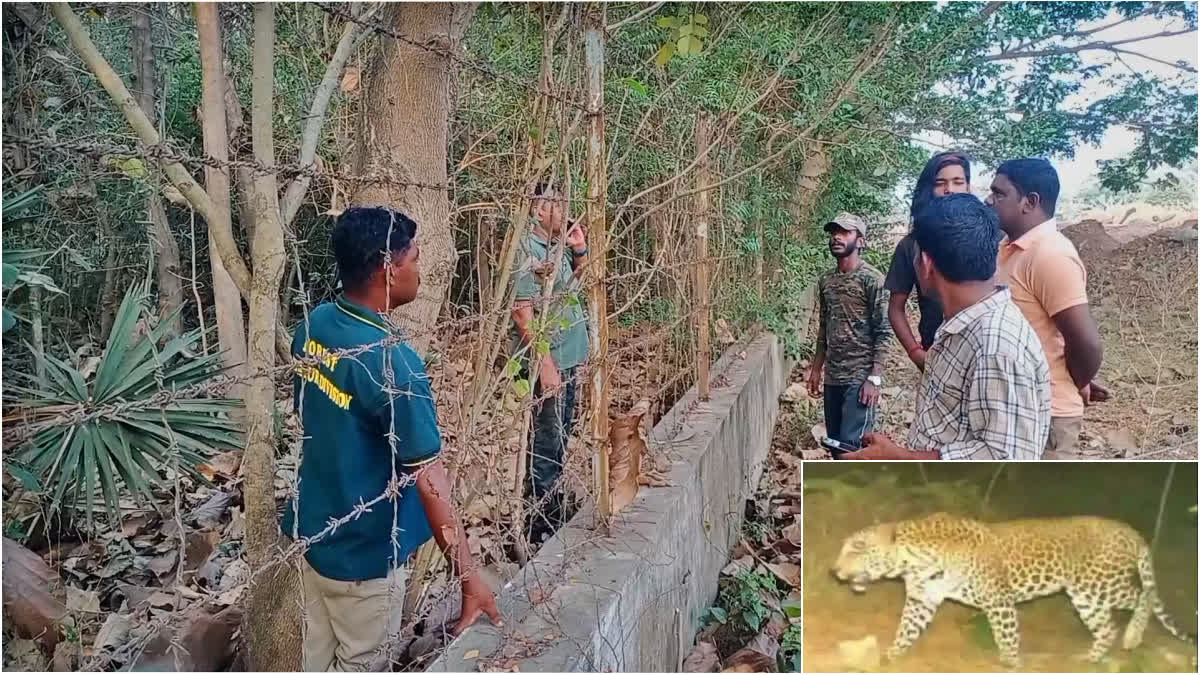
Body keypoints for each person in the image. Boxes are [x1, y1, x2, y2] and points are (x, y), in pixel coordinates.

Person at [286, 207, 500, 671]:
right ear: (389, 269)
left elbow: (307, 407)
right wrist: (470, 580)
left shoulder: (316, 325)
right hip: (365, 554)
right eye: (415, 260)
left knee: (316, 658)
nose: (419, 272)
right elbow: (429, 478)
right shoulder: (395, 366)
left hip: (315, 529)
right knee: (361, 662)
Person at [843, 193, 1051, 461]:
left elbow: (1006, 464)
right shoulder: (960, 324)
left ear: (926, 264)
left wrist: (903, 459)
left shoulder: (997, 348)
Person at [988, 158, 1109, 458]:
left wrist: (1074, 381)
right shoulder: (1009, 249)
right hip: (1015, 407)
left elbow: (1086, 342)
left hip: (1048, 414)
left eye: (999, 193)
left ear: (1030, 202)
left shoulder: (1050, 254)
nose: (989, 200)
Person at [510, 181, 590, 544]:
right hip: (551, 359)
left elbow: (574, 288)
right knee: (547, 439)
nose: (564, 210)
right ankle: (540, 522)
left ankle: (551, 506)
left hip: (570, 353)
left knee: (560, 436)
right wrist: (545, 366)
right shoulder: (526, 249)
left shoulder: (558, 245)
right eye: (556, 205)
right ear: (536, 210)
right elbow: (523, 314)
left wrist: (579, 251)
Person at [805, 212, 891, 457]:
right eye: (834, 233)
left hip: (860, 378)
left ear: (860, 241)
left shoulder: (873, 280)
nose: (836, 238)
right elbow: (824, 325)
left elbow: (884, 330)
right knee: (835, 446)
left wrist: (874, 378)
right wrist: (816, 368)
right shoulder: (826, 281)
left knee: (853, 449)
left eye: (844, 232)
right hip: (834, 378)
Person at [885, 151, 973, 371]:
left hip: (982, 355)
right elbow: (895, 308)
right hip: (936, 358)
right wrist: (916, 353)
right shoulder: (912, 245)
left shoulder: (988, 236)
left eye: (957, 182)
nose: (949, 189)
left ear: (968, 187)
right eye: (940, 183)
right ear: (929, 189)